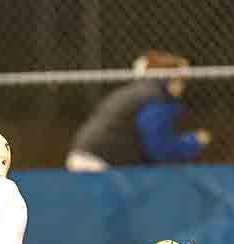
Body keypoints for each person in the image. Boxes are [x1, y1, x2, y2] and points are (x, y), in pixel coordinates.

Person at [66, 50, 210, 171]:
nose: (183, 85)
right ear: (169, 78)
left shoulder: (137, 92)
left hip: (86, 156)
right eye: (181, 79)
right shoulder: (157, 99)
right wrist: (193, 142)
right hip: (100, 162)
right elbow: (158, 149)